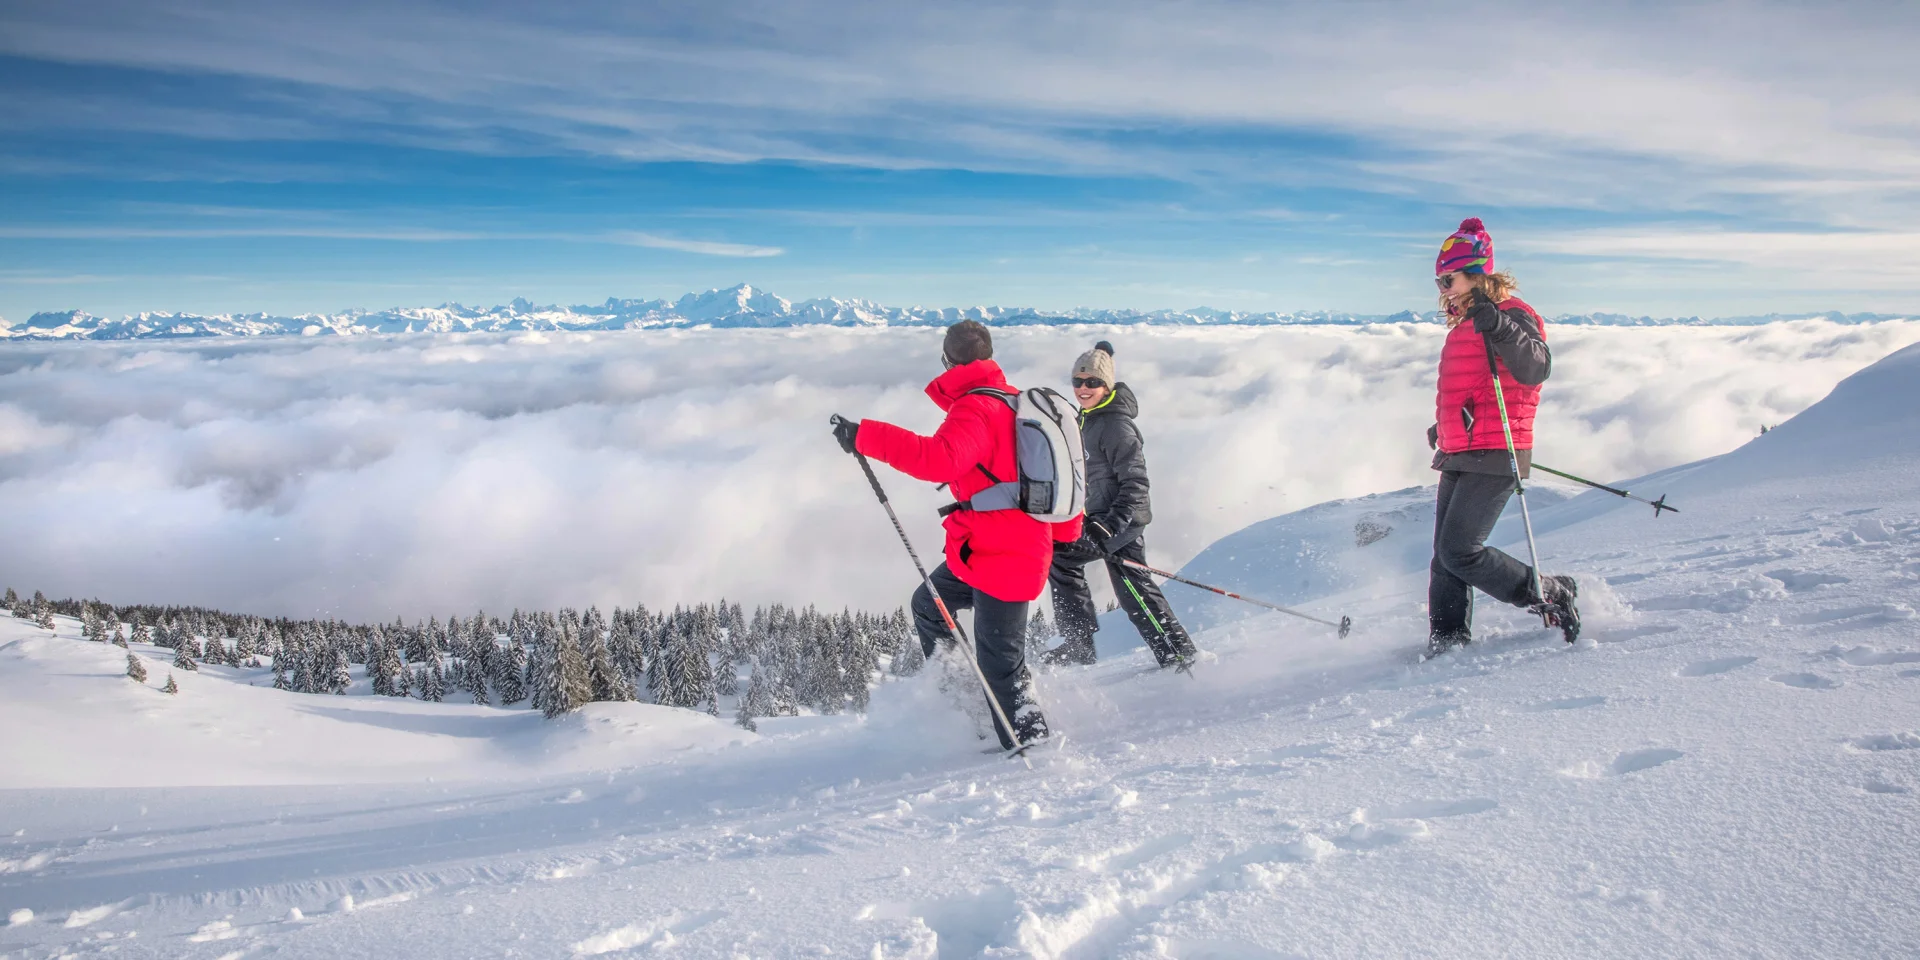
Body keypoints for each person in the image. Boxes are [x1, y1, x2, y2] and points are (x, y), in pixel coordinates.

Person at [830, 320, 1081, 748]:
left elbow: (938, 460)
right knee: (930, 603)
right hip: (990, 549)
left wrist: (865, 436)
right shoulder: (1013, 401)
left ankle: (1031, 747)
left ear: (947, 361)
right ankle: (966, 698)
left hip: (1006, 553)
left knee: (1002, 664)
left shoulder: (976, 407)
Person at [1426, 217, 1580, 656]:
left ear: (1477, 274)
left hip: (1497, 449)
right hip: (1461, 447)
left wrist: (1498, 324)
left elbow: (1535, 368)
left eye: (1448, 278)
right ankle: (1447, 642)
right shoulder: (1466, 321)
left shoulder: (1512, 315)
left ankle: (1550, 591)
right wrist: (1447, 423)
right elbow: (1471, 385)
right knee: (1444, 559)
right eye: (1439, 280)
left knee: (1461, 552)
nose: (1443, 288)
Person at [1043, 341, 1200, 669]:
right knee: (1068, 562)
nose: (1083, 389)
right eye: (1077, 381)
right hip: (1100, 517)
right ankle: (1080, 643)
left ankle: (1178, 653)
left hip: (1121, 521)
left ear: (1107, 385)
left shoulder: (1115, 426)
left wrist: (1110, 523)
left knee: (1133, 590)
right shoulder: (1088, 417)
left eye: (1092, 382)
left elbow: (1136, 484)